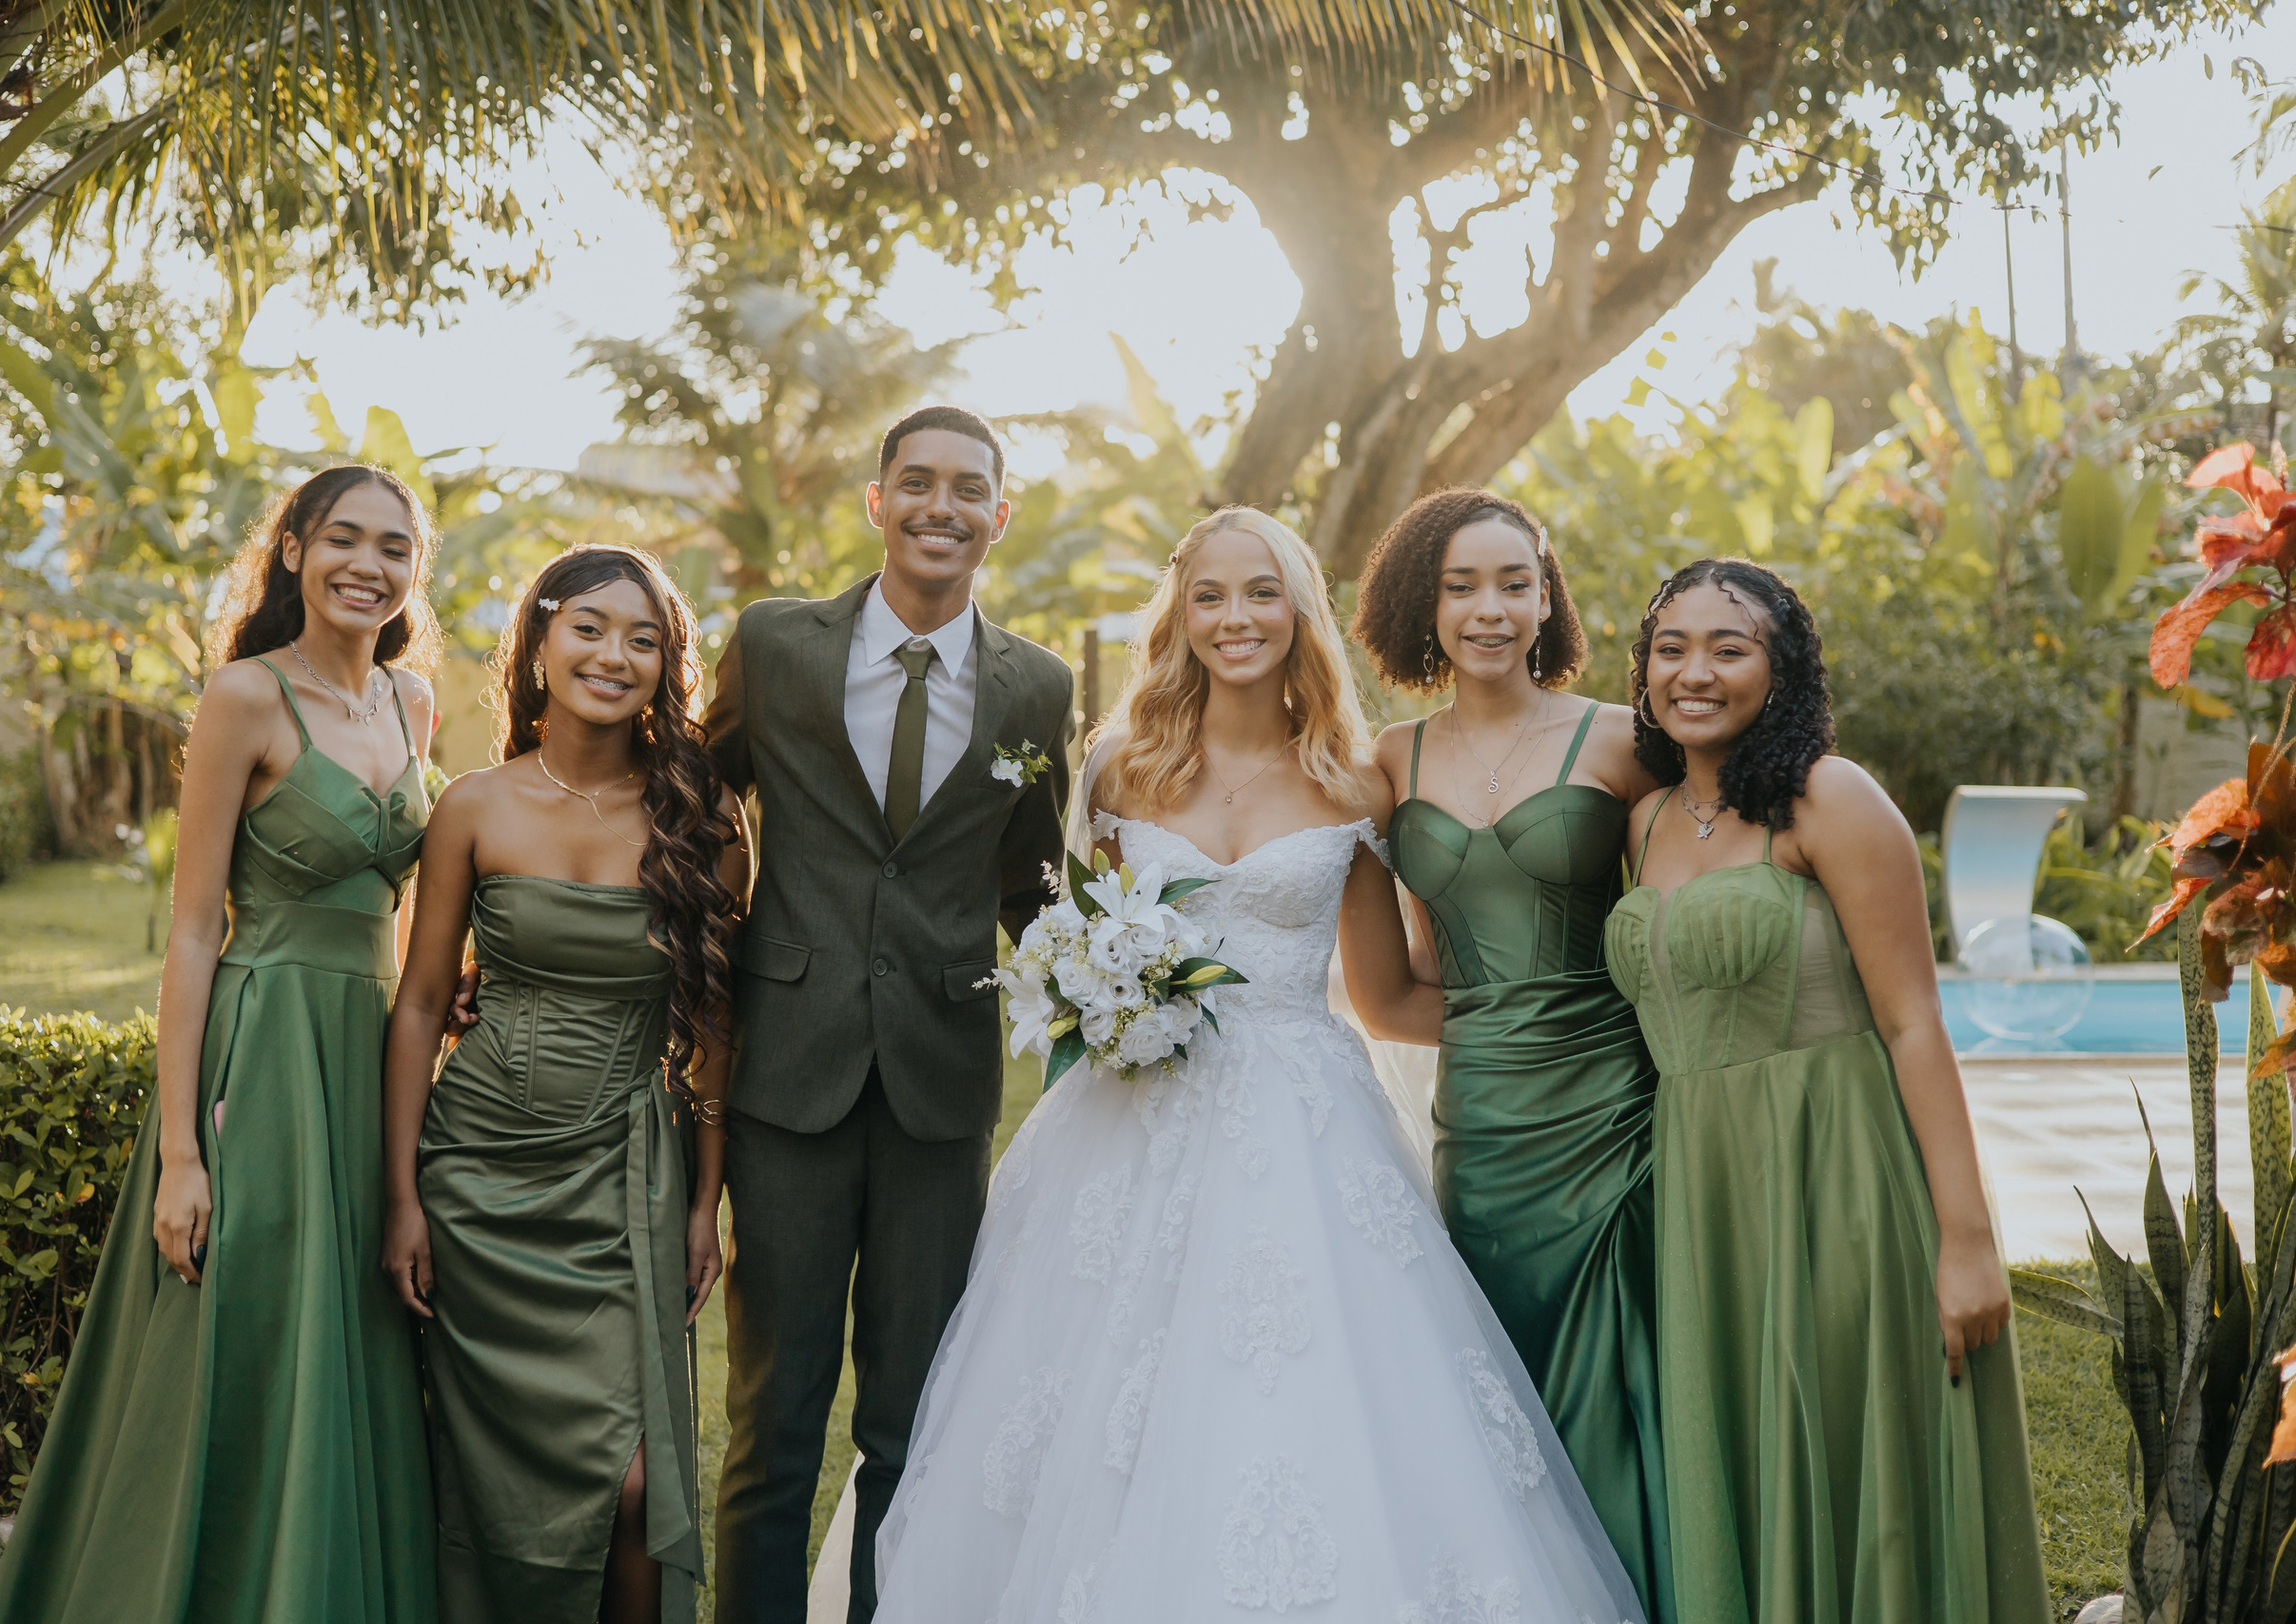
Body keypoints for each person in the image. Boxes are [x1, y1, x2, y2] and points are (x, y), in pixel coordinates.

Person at [870, 506, 1649, 1623]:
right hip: (1121, 1126)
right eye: (1211, 597)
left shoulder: (1353, 777)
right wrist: (1103, 996)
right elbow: (1076, 937)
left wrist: (1560, 1037)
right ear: (1179, 617)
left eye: (1262, 593)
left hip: (1303, 1128)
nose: (1236, 619)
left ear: (1301, 612)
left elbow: (1385, 995)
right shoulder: (1116, 770)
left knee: (1301, 1396)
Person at [0, 466, 442, 1624]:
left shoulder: (414, 705)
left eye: (394, 549)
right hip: (266, 1056)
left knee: (348, 1349)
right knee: (240, 1345)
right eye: (343, 539)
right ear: (292, 550)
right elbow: (193, 933)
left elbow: (392, 918)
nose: (368, 567)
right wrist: (181, 1150)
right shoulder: (245, 696)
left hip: (368, 1057)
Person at [1605, 558, 2051, 1623]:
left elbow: (1911, 1023)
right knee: (1744, 1456)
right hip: (1705, 1197)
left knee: (1864, 1462)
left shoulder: (1829, 797)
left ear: (1783, 667)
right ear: (1645, 672)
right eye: (1671, 649)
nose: (1694, 672)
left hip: (1838, 1174)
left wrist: (1965, 1238)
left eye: (1729, 647)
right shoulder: (1644, 822)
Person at [706, 405, 1076, 1624]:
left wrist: (1121, 988)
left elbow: (1030, 883)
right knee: (773, 1418)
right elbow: (690, 803)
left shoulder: (1036, 687)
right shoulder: (776, 647)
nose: (940, 506)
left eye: (968, 488)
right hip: (787, 1083)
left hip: (939, 1087)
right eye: (915, 482)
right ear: (876, 502)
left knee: (912, 1420)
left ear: (997, 516)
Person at [381, 545, 747, 1624]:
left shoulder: (702, 820)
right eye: (588, 627)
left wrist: (702, 1198)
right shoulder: (474, 807)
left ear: (664, 668)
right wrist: (402, 1192)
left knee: (635, 1482)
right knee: (486, 1483)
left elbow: (717, 1028)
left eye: (643, 640)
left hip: (625, 1173)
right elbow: (416, 1005)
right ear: (538, 642)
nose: (612, 655)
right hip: (478, 1175)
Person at [1352, 488, 1672, 1621]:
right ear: (1419, 604)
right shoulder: (1385, 765)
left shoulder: (1630, 743)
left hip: (1618, 1120)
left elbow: (1688, 918)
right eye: (1459, 585)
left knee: (1622, 1398)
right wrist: (1504, 1027)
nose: (1488, 609)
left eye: (1512, 583)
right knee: (1503, 1405)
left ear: (1547, 598)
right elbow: (1391, 993)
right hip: (1481, 1136)